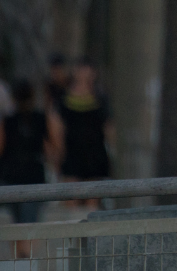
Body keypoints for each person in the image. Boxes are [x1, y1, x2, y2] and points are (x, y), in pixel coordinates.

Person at [0, 80, 62, 224]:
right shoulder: (41, 118)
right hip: (34, 175)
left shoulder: (8, 121)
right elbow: (55, 147)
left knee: (16, 221)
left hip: (12, 176)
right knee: (30, 221)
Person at [57, 63, 110, 207]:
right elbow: (58, 128)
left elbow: (108, 126)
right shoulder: (64, 98)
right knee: (71, 203)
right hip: (72, 155)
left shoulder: (101, 98)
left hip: (94, 156)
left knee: (92, 206)